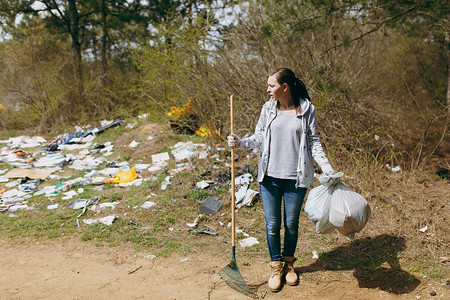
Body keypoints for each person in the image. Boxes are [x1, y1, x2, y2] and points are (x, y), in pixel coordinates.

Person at [227, 67, 336, 292]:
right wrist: (239, 142)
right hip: (268, 178)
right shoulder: (268, 109)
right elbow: (258, 138)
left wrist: (327, 168)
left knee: (291, 225)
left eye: (271, 85)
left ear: (284, 87)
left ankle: (289, 266)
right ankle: (275, 267)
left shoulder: (306, 110)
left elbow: (314, 142)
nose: (267, 90)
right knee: (273, 225)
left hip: (296, 180)